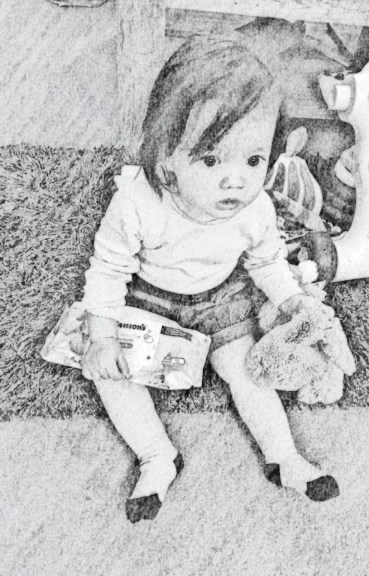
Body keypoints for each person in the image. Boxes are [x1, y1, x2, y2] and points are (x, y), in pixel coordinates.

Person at [81, 35, 339, 524]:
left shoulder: (255, 208)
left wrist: (292, 303)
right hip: (149, 298)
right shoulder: (137, 202)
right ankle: (156, 454)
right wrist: (103, 336)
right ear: (166, 159)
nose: (235, 180)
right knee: (109, 372)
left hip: (221, 299)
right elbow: (109, 267)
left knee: (246, 370)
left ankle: (284, 457)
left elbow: (266, 263)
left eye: (254, 160)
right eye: (212, 159)